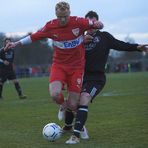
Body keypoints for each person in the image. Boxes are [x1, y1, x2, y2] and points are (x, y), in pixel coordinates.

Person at [4, 2, 103, 124]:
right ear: (56, 15)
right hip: (59, 65)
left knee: (73, 104)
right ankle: (63, 104)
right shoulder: (51, 26)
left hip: (77, 67)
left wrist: (99, 24)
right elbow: (33, 37)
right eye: (59, 17)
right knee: (55, 94)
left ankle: (79, 127)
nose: (62, 19)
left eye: (65, 16)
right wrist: (15, 44)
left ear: (69, 14)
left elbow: (96, 24)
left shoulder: (79, 22)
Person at [63, 11, 148, 144]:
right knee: (71, 101)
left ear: (97, 23)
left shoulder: (105, 37)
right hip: (80, 77)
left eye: (93, 21)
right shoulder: (79, 39)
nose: (91, 24)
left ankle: (76, 136)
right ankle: (68, 126)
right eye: (88, 22)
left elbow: (121, 45)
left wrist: (137, 47)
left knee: (84, 98)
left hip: (96, 79)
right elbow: (68, 55)